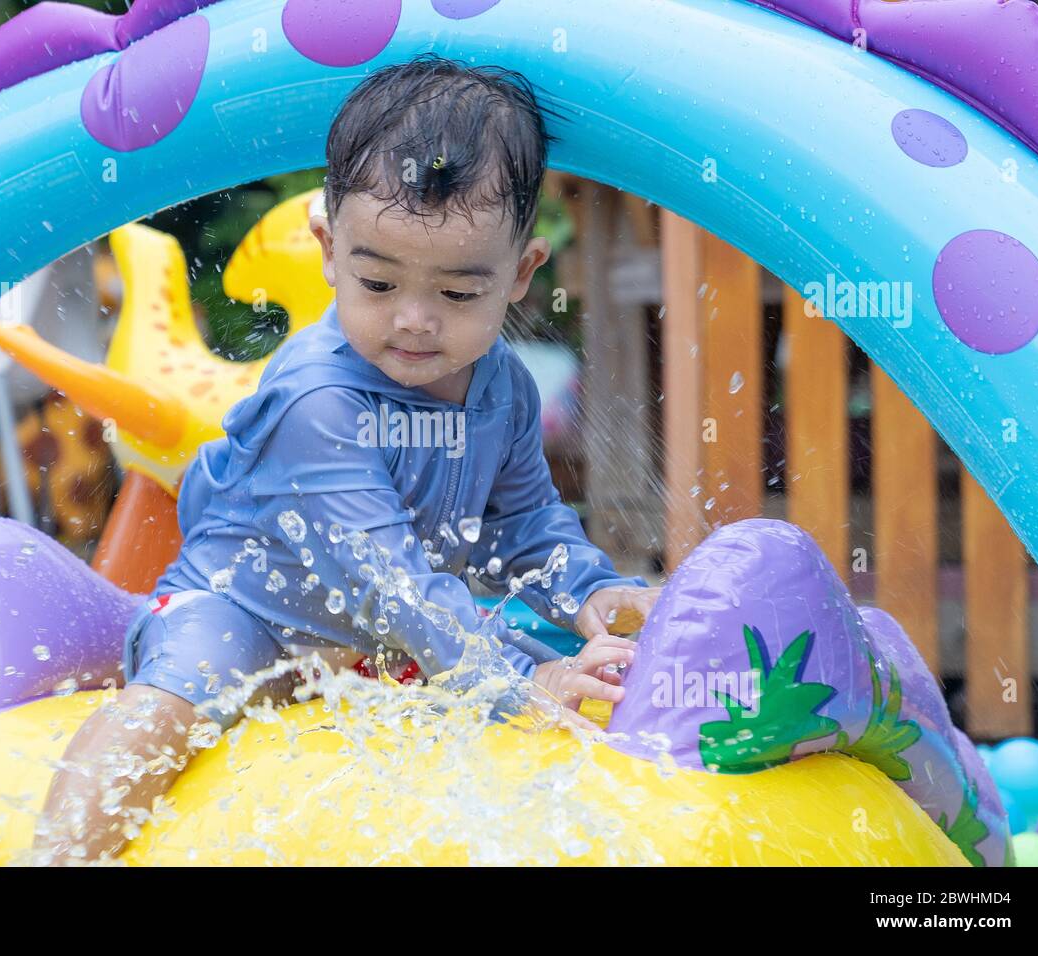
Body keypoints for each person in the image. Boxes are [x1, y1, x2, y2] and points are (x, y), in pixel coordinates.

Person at [34, 53, 662, 864]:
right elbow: (392, 582)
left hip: (382, 643)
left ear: (521, 273)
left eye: (459, 294)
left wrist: (590, 589)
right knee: (171, 706)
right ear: (330, 250)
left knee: (566, 679)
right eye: (377, 283)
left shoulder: (500, 384)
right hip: (248, 615)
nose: (414, 321)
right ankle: (54, 857)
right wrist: (516, 685)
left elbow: (524, 525)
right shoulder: (316, 402)